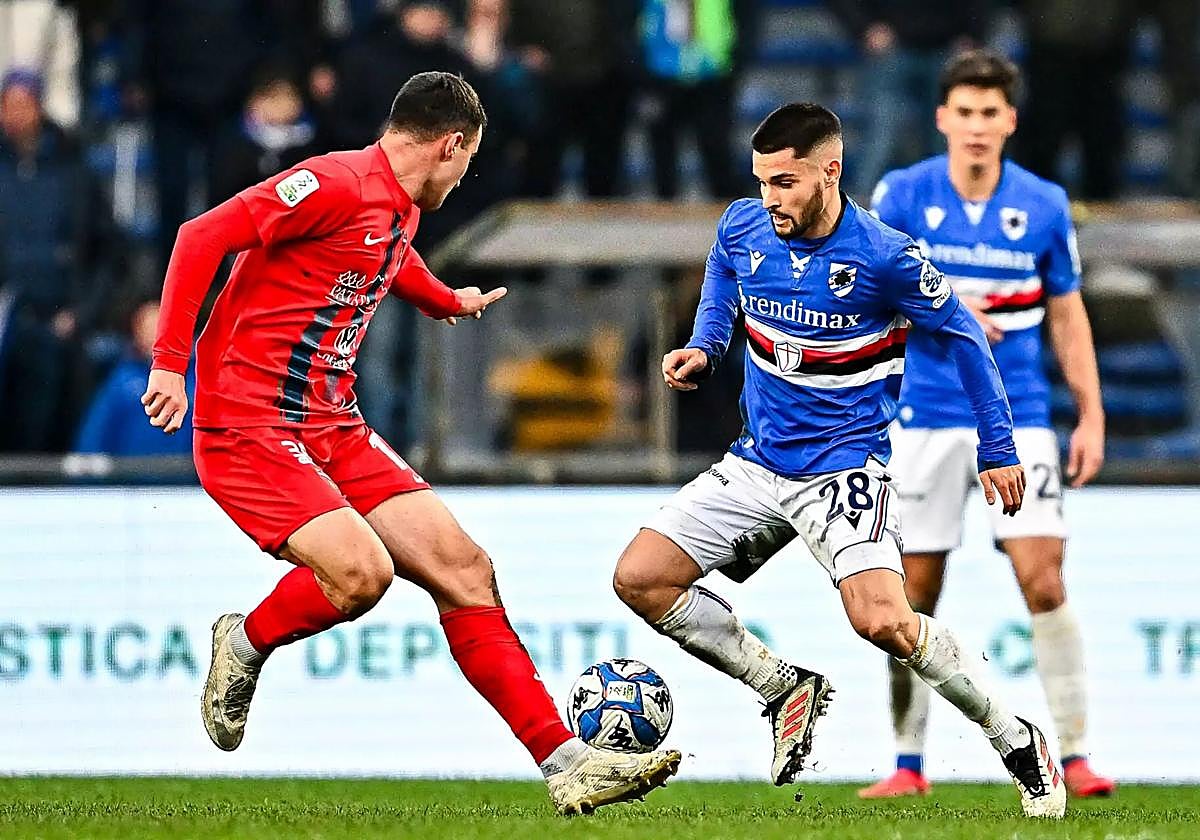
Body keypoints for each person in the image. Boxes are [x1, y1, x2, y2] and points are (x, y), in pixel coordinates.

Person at [141, 71, 680, 815]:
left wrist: (442, 299)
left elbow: (385, 258)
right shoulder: (330, 182)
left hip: (332, 424)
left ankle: (566, 763)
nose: (463, 180)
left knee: (467, 570)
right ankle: (246, 640)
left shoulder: (396, 205)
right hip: (248, 424)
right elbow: (201, 236)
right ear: (449, 146)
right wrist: (172, 363)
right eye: (467, 164)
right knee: (363, 575)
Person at [611, 102, 1066, 818]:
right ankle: (781, 686)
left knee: (882, 620)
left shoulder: (885, 257)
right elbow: (725, 269)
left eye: (786, 182)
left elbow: (967, 339)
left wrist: (997, 446)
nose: (771, 199)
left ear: (831, 170)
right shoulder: (744, 224)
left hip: (843, 468)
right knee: (639, 578)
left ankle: (1016, 740)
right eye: (762, 182)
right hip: (757, 462)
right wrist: (707, 345)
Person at [859, 49, 1114, 800]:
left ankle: (1076, 755)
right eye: (963, 112)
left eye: (988, 113)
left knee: (1043, 577)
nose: (975, 126)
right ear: (943, 118)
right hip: (922, 416)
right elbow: (868, 291)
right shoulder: (903, 193)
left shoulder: (1043, 204)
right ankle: (907, 765)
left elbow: (1068, 314)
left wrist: (1092, 413)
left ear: (1009, 120)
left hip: (1021, 413)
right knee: (912, 593)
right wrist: (946, 303)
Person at [75, 299, 194, 456]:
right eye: (149, 329)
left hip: (185, 475)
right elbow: (96, 434)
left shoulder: (197, 379)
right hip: (131, 475)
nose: (156, 335)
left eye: (162, 327)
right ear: (137, 333)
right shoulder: (121, 381)